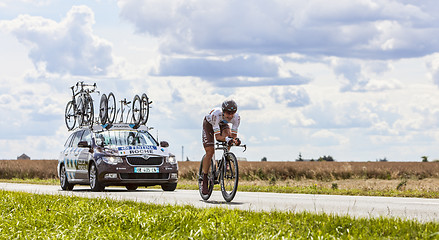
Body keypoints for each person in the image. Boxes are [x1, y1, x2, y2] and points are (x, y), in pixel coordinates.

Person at [201, 100, 241, 195]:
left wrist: (235, 141)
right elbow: (218, 137)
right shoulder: (216, 115)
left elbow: (233, 137)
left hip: (223, 124)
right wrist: (228, 139)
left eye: (233, 113)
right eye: (228, 113)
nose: (230, 116)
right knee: (210, 151)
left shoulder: (237, 118)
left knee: (229, 137)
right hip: (209, 125)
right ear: (223, 111)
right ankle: (205, 178)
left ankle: (226, 159)